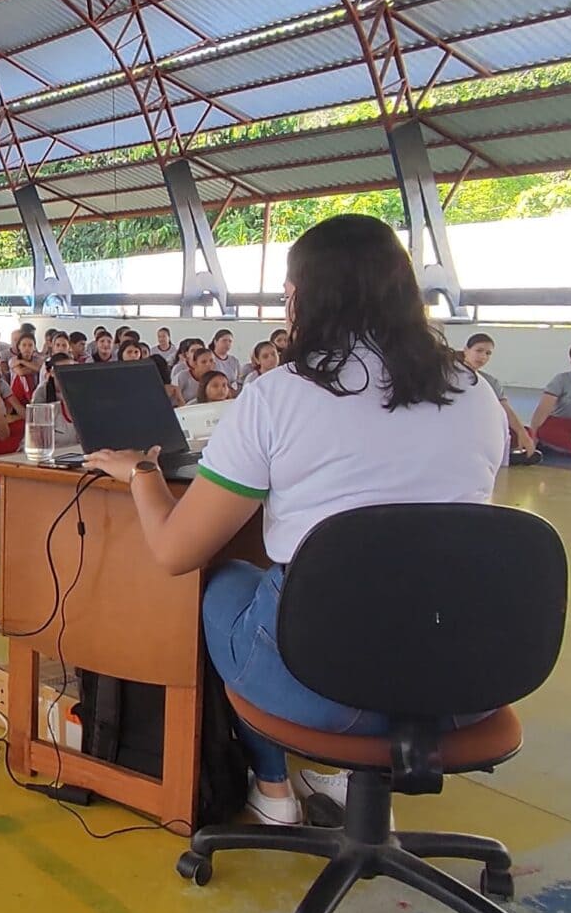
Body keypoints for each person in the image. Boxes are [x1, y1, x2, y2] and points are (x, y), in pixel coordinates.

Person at [83, 214, 505, 825]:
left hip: (328, 695)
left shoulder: (280, 395)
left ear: (307, 298)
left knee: (226, 581)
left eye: (288, 293)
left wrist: (141, 475)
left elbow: (175, 551)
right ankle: (351, 785)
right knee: (392, 596)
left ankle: (273, 787)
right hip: (462, 685)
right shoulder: (474, 390)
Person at [461, 334, 541, 466]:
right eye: (479, 350)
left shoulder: (490, 381)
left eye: (488, 353)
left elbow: (505, 409)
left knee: (523, 433)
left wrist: (522, 433)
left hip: (481, 425)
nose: (483, 357)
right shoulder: (450, 375)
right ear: (466, 350)